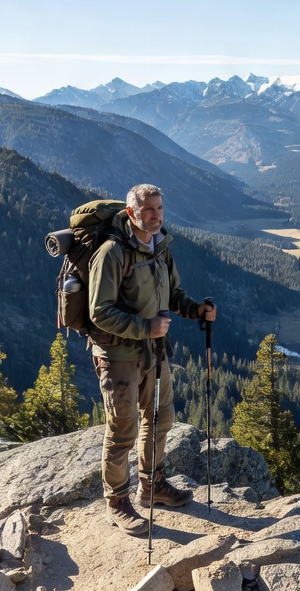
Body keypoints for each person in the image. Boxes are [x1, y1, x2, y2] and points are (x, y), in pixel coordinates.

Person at [88, 183, 218, 536]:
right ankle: (117, 502)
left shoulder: (160, 247)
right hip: (119, 356)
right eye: (149, 210)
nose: (157, 215)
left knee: (161, 419)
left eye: (160, 208)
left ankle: (151, 486)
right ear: (132, 213)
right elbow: (99, 312)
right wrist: (146, 327)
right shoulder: (112, 253)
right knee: (122, 430)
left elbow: (171, 293)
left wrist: (196, 310)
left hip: (153, 351)